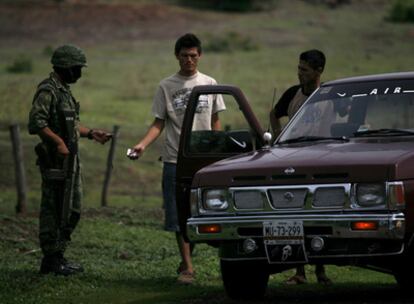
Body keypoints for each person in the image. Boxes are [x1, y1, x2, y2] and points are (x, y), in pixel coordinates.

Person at [128, 33, 225, 284]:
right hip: (175, 159)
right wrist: (142, 145)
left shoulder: (209, 82)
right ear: (177, 56)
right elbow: (159, 123)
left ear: (200, 56)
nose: (189, 60)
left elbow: (216, 120)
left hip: (204, 159)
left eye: (193, 55)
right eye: (184, 56)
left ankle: (186, 260)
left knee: (201, 212)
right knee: (178, 214)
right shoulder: (166, 86)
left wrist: (219, 150)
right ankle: (189, 269)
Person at [28, 44, 112, 276]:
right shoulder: (48, 90)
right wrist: (58, 143)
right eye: (76, 69)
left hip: (68, 161)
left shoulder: (63, 90)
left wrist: (91, 133)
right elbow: (37, 123)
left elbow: (71, 125)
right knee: (54, 209)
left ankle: (58, 256)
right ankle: (51, 259)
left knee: (71, 209)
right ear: (64, 67)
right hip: (55, 161)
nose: (79, 74)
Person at [269, 49, 332, 285]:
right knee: (293, 215)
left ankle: (321, 271)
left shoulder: (329, 95)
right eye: (298, 69)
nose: (299, 74)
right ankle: (300, 271)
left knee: (319, 216)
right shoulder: (293, 94)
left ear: (318, 71)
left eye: (304, 70)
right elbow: (274, 113)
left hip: (321, 162)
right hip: (294, 163)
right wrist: (278, 136)